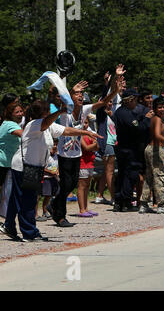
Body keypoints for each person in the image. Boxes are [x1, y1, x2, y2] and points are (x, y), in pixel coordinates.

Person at [0, 100, 102, 242]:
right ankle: (30, 233)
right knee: (28, 200)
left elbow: (66, 130)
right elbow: (47, 122)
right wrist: (60, 111)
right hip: (24, 167)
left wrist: (85, 132)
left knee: (18, 198)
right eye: (48, 111)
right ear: (44, 113)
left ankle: (9, 226)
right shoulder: (34, 125)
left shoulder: (48, 126)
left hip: (33, 167)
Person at [48, 68, 124, 227]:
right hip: (64, 154)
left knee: (71, 184)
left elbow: (103, 102)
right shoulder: (65, 112)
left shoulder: (84, 110)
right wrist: (70, 90)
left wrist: (114, 86)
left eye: (81, 95)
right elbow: (61, 99)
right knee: (66, 185)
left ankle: (54, 204)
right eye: (77, 95)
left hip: (76, 153)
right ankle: (60, 216)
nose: (80, 96)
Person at [113, 89, 152, 212]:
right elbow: (137, 128)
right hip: (129, 149)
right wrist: (146, 119)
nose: (136, 103)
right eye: (135, 100)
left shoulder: (124, 112)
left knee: (123, 174)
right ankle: (125, 202)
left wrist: (142, 117)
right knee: (129, 175)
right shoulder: (124, 113)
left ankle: (120, 201)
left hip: (125, 148)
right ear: (129, 100)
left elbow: (135, 119)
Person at [0, 102, 24, 219]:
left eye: (21, 111)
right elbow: (24, 135)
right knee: (6, 193)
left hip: (5, 163)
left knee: (5, 193)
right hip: (4, 164)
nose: (21, 114)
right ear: (10, 114)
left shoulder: (7, 123)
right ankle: (5, 218)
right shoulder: (11, 125)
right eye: (17, 112)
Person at [95, 100, 116, 205]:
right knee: (110, 171)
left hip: (113, 143)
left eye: (112, 102)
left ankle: (99, 195)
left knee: (106, 171)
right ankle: (114, 198)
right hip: (107, 144)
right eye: (108, 101)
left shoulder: (112, 114)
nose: (110, 103)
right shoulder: (101, 114)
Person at [77, 118, 99, 217]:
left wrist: (94, 144)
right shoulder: (79, 135)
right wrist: (94, 144)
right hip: (82, 163)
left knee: (87, 186)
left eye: (86, 123)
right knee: (82, 186)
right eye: (83, 123)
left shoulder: (89, 134)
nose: (85, 125)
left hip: (90, 162)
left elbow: (97, 146)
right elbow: (86, 147)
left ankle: (86, 208)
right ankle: (82, 209)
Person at [36, 138, 59, 222]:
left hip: (53, 177)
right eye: (53, 144)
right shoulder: (45, 156)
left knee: (50, 195)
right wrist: (50, 172)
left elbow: (57, 165)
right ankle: (40, 212)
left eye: (56, 145)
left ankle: (46, 210)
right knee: (43, 195)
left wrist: (57, 171)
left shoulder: (56, 155)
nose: (55, 146)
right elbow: (42, 167)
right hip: (45, 178)